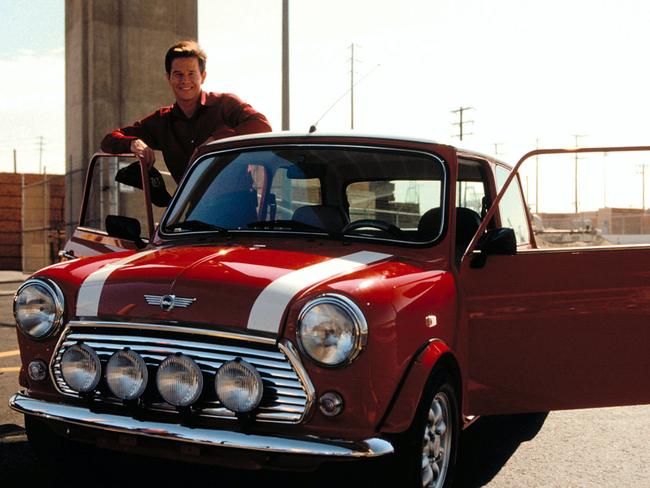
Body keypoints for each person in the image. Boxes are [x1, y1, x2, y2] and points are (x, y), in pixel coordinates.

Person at [101, 40, 272, 183]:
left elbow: (262, 125)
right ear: (168, 78)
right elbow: (108, 140)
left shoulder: (225, 104)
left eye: (191, 73)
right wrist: (134, 143)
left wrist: (216, 141)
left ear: (203, 76)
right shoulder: (162, 121)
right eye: (178, 74)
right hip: (192, 210)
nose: (185, 80)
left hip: (236, 208)